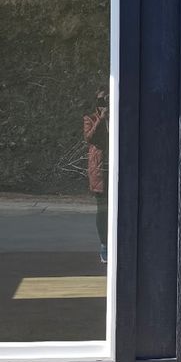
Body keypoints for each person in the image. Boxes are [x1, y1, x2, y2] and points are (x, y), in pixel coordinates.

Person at [83, 86, 109, 264]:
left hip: (114, 167)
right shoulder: (90, 118)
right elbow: (89, 138)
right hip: (100, 169)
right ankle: (104, 245)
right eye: (101, 100)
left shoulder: (118, 117)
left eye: (107, 99)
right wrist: (101, 119)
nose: (104, 103)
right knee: (102, 210)